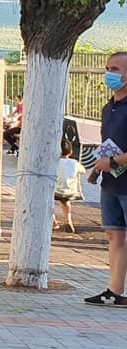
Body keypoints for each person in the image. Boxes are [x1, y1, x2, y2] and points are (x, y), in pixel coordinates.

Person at [85, 51, 127, 306]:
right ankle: (115, 290)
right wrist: (102, 165)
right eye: (108, 68)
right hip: (111, 183)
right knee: (115, 235)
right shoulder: (108, 107)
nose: (109, 74)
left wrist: (112, 161)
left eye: (116, 69)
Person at [54, 139, 86, 233]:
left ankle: (53, 221)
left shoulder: (54, 162)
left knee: (48, 203)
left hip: (55, 191)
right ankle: (68, 220)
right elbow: (83, 171)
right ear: (71, 152)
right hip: (70, 191)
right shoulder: (74, 163)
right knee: (66, 202)